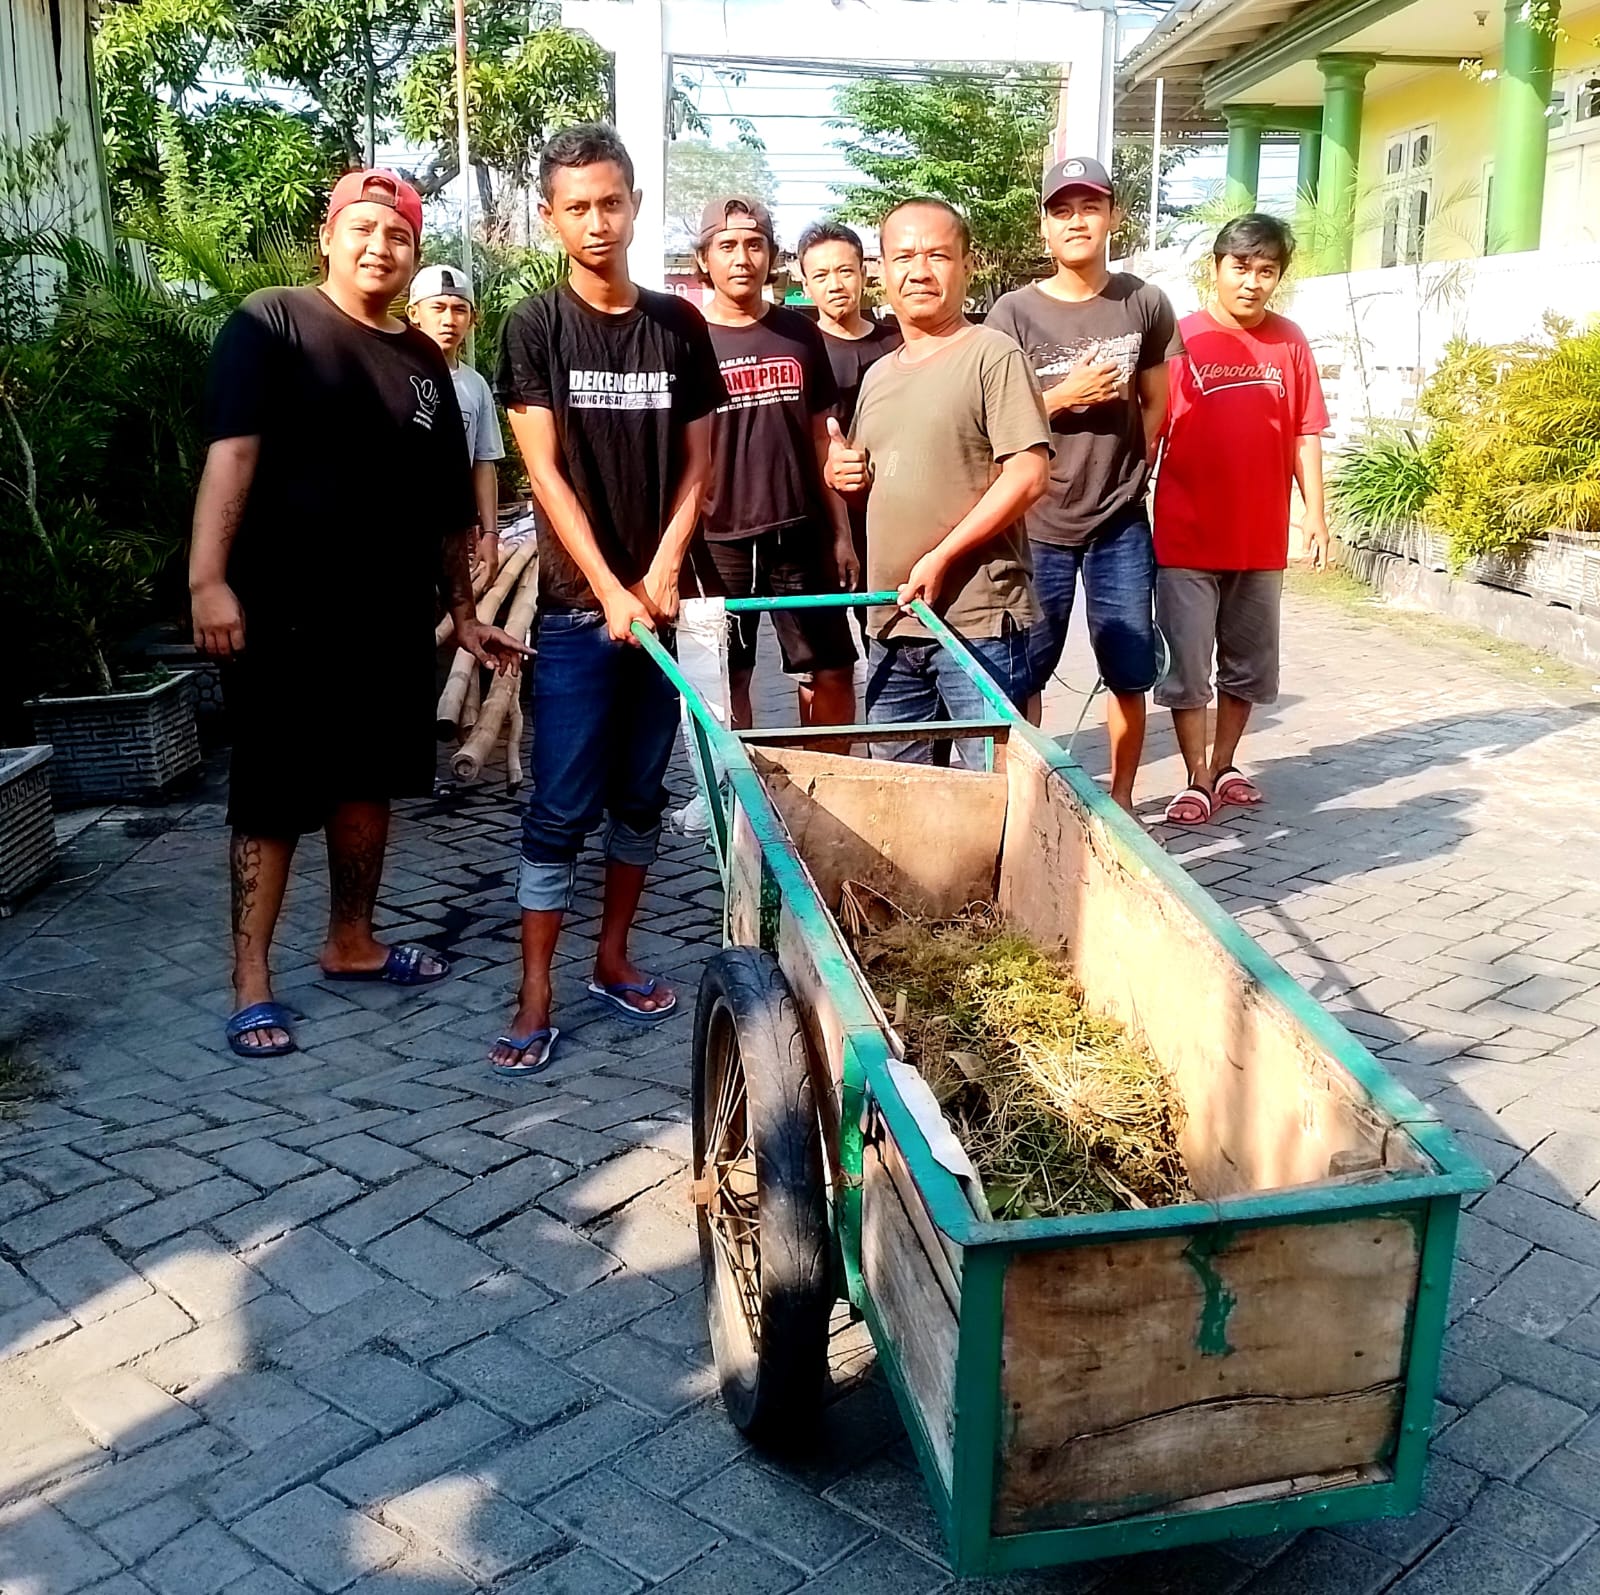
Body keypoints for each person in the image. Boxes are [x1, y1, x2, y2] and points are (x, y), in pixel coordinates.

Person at [190, 169, 529, 1061]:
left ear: (415, 252)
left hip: (386, 616)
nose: (381, 245)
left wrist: (463, 612)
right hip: (282, 610)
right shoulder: (274, 321)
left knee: (369, 782)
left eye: (400, 234)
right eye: (364, 227)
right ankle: (251, 977)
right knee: (271, 793)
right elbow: (232, 455)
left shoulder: (425, 363)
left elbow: (446, 506)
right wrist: (207, 581)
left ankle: (352, 941)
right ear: (330, 237)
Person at [491, 123, 725, 1074]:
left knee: (639, 793)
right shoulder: (534, 326)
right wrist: (608, 589)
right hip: (577, 610)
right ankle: (534, 989)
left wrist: (663, 571)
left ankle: (612, 956)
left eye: (611, 202)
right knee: (559, 804)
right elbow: (544, 476)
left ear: (635, 205)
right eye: (577, 207)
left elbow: (698, 464)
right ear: (551, 219)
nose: (597, 221)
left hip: (656, 604)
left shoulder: (680, 324)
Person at [986, 155, 1183, 811]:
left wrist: (1137, 460)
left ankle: (1123, 802)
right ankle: (1028, 801)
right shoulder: (1013, 313)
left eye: (1090, 207)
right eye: (1062, 210)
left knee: (1129, 668)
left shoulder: (1144, 302)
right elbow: (991, 422)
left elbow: (1158, 399)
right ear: (1045, 227)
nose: (1077, 221)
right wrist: (1063, 395)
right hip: (1037, 520)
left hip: (1120, 523)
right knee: (1025, 669)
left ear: (1112, 218)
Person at [828, 197, 1050, 768]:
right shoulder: (879, 374)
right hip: (891, 622)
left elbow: (1028, 474)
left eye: (937, 255)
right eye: (903, 256)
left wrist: (942, 556)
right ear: (882, 271)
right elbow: (881, 474)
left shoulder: (992, 355)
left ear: (966, 266)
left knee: (996, 795)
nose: (919, 271)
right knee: (904, 802)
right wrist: (844, 473)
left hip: (976, 624)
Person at [1154, 213, 1329, 825]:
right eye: (1241, 267)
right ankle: (1194, 776)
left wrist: (1315, 516)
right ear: (1216, 268)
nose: (1252, 282)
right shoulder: (1177, 341)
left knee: (1248, 664)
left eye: (1266, 271)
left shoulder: (1290, 342)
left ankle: (1225, 764)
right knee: (1186, 664)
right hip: (1184, 537)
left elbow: (1307, 432)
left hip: (1258, 540)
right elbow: (1151, 433)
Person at [688, 196, 858, 732]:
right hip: (718, 539)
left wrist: (842, 535)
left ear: (771, 256)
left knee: (828, 672)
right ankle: (737, 805)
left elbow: (821, 437)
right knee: (726, 678)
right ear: (704, 259)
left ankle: (824, 797)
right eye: (728, 246)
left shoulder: (799, 334)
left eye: (755, 245)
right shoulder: (684, 338)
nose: (742, 257)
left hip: (800, 533)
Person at [798, 218, 901, 623]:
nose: (835, 284)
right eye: (821, 275)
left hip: (890, 510)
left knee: (891, 630)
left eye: (845, 271)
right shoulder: (799, 347)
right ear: (805, 285)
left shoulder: (897, 341)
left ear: (864, 273)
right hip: (822, 518)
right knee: (824, 660)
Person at [407, 264, 506, 583]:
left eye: (459, 310)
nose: (449, 320)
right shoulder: (391, 371)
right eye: (437, 307)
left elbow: (484, 462)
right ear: (414, 312)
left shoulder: (476, 386)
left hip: (453, 538)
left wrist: (489, 533)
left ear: (472, 319)